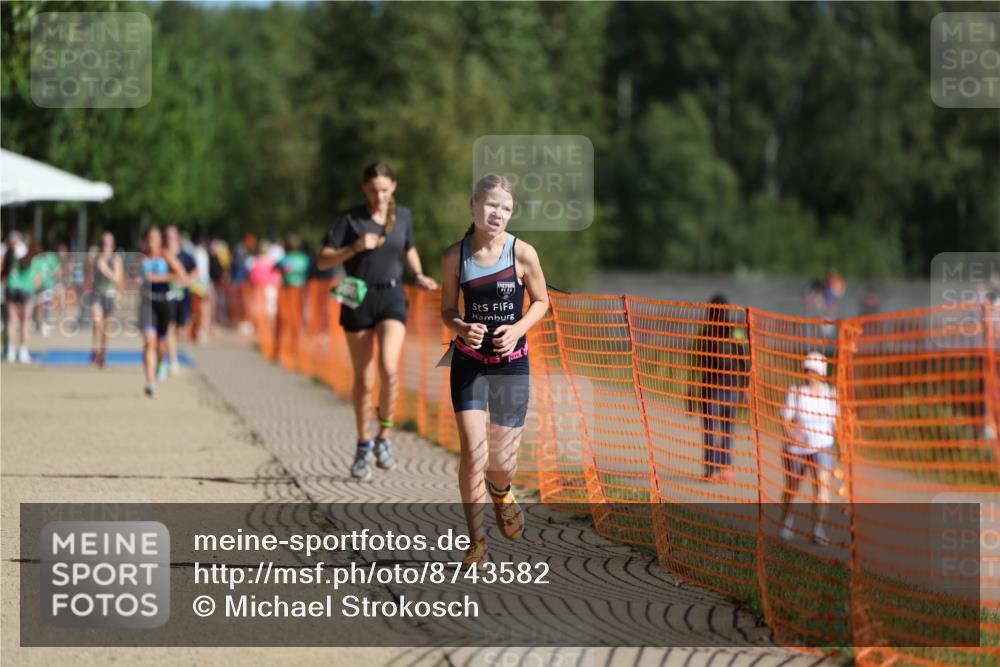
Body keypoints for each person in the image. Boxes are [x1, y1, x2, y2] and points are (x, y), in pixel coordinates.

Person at [440, 173, 549, 567]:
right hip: (469, 363)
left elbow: (542, 301)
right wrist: (461, 326)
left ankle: (501, 492)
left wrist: (518, 328)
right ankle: (477, 543)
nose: (497, 213)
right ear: (473, 205)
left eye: (505, 208)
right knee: (472, 451)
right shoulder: (455, 256)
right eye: (490, 205)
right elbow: (447, 310)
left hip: (511, 365)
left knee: (502, 464)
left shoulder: (523, 254)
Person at [317, 162, 438, 481]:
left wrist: (419, 274)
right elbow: (323, 258)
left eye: (384, 190)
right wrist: (354, 247)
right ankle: (362, 444)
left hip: (393, 295)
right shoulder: (350, 219)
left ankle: (384, 438)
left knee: (389, 367)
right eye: (372, 190)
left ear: (394, 186)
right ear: (364, 189)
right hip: (358, 297)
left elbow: (409, 247)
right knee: (365, 379)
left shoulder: (404, 216)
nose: (378, 196)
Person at [779, 351, 839, 544]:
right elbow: (785, 420)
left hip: (822, 445)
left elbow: (836, 423)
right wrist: (793, 438)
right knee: (793, 486)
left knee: (822, 485)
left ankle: (818, 528)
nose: (809, 374)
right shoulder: (796, 392)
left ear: (821, 372)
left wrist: (843, 443)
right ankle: (786, 520)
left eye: (813, 370)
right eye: (807, 370)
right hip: (796, 449)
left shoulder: (831, 394)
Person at [690, 294, 749, 482]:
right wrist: (745, 387)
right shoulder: (733, 332)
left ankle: (714, 469)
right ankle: (721, 468)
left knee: (712, 429)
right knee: (726, 430)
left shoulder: (706, 332)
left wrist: (691, 388)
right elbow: (745, 361)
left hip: (715, 388)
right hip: (726, 388)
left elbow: (695, 363)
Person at [138, 226, 185, 397]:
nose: (151, 242)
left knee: (160, 343)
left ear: (160, 241)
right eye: (149, 238)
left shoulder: (165, 255)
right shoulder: (141, 256)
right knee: (149, 341)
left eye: (155, 239)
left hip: (164, 302)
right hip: (147, 301)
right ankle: (150, 383)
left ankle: (161, 362)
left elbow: (181, 275)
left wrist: (160, 278)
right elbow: (133, 275)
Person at [2, 232, 40, 363]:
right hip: (26, 289)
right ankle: (23, 351)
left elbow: (3, 272)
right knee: (25, 321)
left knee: (11, 321)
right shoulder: (27, 251)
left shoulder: (7, 252)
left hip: (11, 287)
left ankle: (11, 352)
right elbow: (36, 274)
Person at [90, 231, 124, 368]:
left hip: (110, 295)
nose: (106, 246)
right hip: (97, 294)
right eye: (104, 243)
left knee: (105, 328)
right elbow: (90, 276)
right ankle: (95, 350)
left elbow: (117, 278)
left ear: (113, 245)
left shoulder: (116, 260)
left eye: (109, 244)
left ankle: (103, 353)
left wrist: (104, 269)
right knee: (96, 322)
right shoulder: (96, 257)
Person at [165, 225, 195, 376]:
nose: (169, 238)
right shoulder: (163, 255)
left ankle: (170, 351)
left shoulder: (186, 256)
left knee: (180, 329)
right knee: (169, 327)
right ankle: (173, 360)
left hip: (183, 296)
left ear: (177, 237)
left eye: (172, 236)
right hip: (168, 295)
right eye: (167, 236)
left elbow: (196, 270)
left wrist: (187, 281)